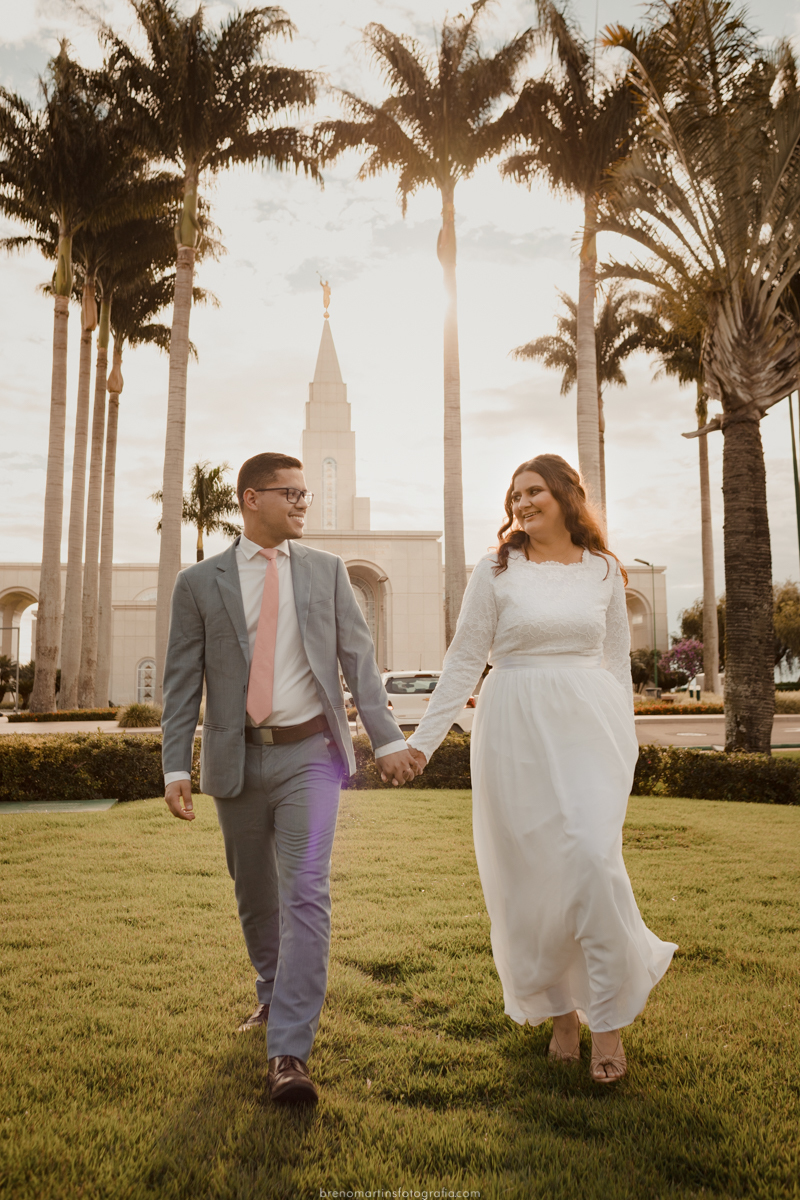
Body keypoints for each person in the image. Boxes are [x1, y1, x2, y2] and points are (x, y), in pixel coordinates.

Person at [161, 452, 420, 1106]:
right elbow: (182, 682)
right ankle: (273, 997)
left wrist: (387, 739)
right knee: (255, 894)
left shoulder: (327, 573)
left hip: (311, 756)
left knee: (306, 892)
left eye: (307, 493)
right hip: (236, 759)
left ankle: (289, 1053)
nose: (304, 503)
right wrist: (173, 764)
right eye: (291, 493)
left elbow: (359, 661)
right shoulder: (199, 583)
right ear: (252, 499)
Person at [407, 454, 676, 1083]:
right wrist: (423, 740)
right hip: (514, 726)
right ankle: (561, 1012)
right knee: (535, 879)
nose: (522, 503)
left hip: (589, 727)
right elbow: (465, 658)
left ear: (565, 496)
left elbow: (615, 665)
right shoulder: (496, 568)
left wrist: (624, 743)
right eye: (515, 494)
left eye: (534, 492)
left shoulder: (605, 570)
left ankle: (606, 1022)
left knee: (589, 858)